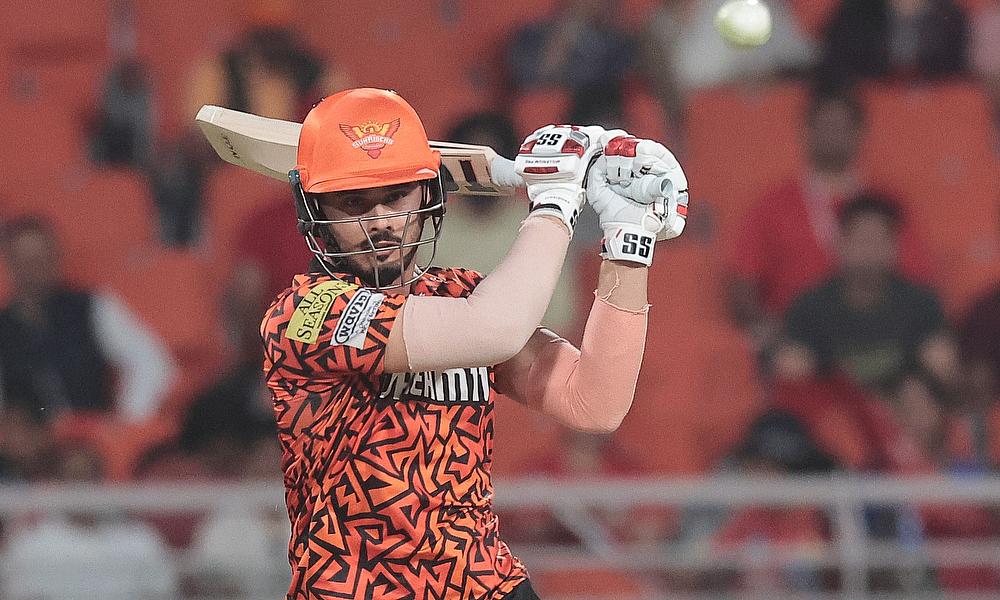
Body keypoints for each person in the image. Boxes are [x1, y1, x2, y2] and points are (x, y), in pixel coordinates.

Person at [258, 88, 687, 598]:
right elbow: (493, 328)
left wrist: (627, 242)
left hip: (484, 584)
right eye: (354, 203)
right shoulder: (303, 316)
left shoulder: (458, 293)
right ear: (314, 210)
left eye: (396, 196)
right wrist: (554, 204)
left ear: (426, 196)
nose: (382, 222)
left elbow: (594, 403)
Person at [726, 90, 931, 355]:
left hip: (879, 337)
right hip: (796, 340)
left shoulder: (887, 203)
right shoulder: (772, 204)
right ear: (806, 131)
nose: (833, 135)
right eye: (825, 126)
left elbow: (918, 278)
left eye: (841, 127)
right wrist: (772, 331)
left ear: (860, 133)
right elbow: (743, 285)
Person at [773, 193, 959, 395]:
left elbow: (944, 376)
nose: (870, 251)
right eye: (862, 240)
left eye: (878, 240)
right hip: (834, 407)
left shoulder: (921, 303)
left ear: (894, 247)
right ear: (840, 244)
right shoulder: (810, 307)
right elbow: (792, 378)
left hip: (902, 406)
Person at [0, 216, 176, 421]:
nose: (35, 270)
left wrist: (127, 421)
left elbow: (151, 361)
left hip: (91, 432)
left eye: (42, 260)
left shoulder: (93, 306)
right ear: (10, 264)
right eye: (27, 262)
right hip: (27, 436)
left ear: (56, 259)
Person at [816, 0, 969, 90]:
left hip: (933, 115)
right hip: (872, 113)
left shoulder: (952, 19)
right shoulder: (852, 14)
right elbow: (836, 73)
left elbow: (957, 80)